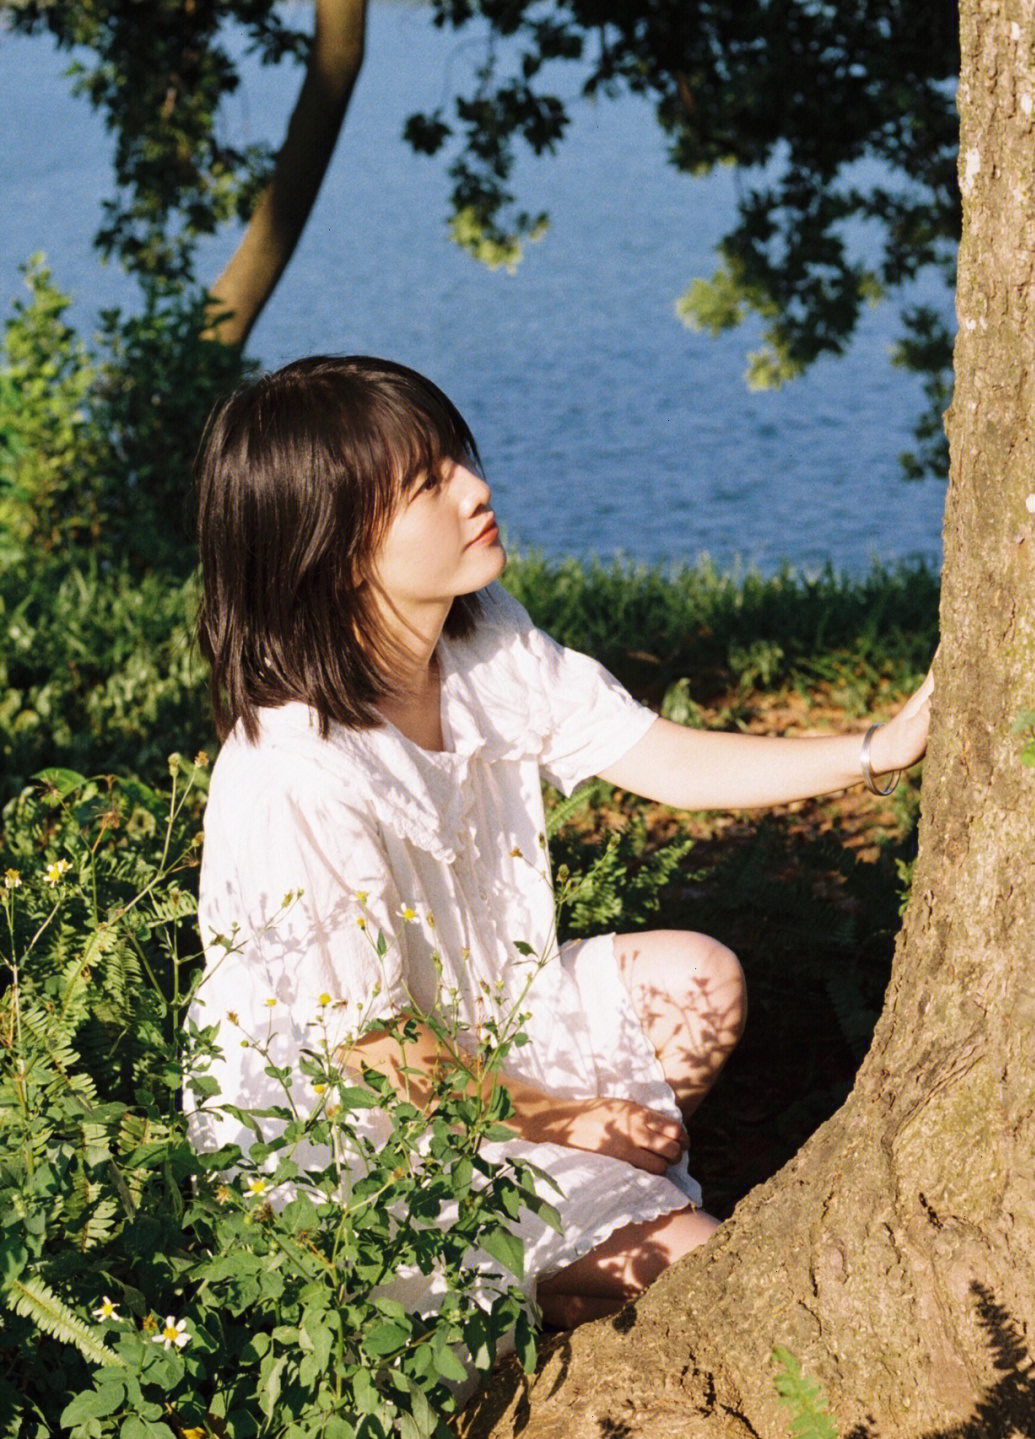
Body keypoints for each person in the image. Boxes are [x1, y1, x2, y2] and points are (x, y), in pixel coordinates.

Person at [190, 354, 934, 1332]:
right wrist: (576, 1120)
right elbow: (368, 1053)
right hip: (357, 1147)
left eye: (456, 457)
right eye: (428, 484)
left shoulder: (478, 635)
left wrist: (878, 751)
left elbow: (658, 754)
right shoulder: (295, 767)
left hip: (483, 1030)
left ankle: (571, 1238)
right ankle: (511, 1278)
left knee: (696, 980)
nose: (476, 487)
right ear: (332, 548)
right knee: (713, 1273)